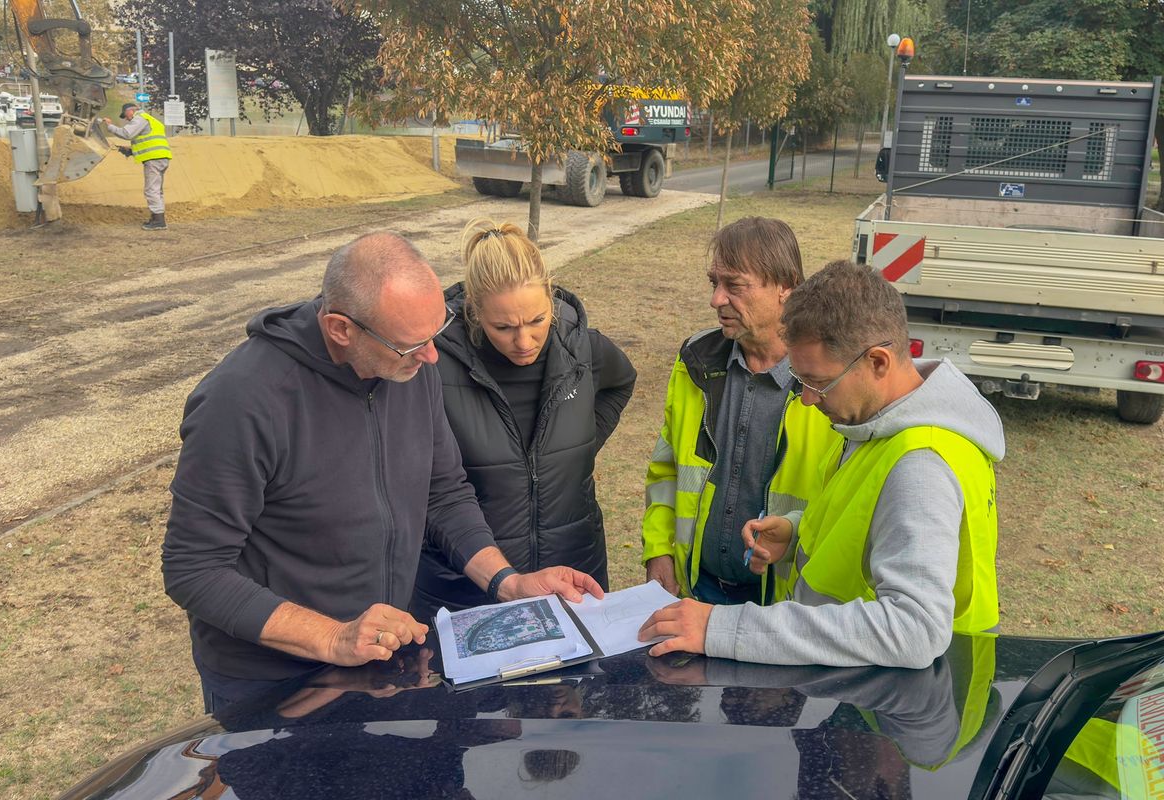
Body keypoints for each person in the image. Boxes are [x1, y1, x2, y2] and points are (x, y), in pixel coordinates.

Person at [162, 232, 603, 712]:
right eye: (412, 344)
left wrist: (507, 582)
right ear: (340, 328)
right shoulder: (242, 401)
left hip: (384, 658)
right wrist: (333, 638)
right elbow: (195, 568)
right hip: (274, 679)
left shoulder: (412, 366)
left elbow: (444, 493)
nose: (432, 356)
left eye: (437, 333)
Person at [640, 259, 1004, 668]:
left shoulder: (922, 465)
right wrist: (796, 531)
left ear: (878, 363)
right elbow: (863, 518)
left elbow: (913, 629)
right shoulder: (875, 424)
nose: (808, 399)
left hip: (904, 709)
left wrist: (723, 628)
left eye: (816, 382)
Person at [410, 218, 636, 619]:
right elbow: (427, 490)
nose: (524, 341)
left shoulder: (579, 345)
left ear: (551, 298)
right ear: (474, 312)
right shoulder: (432, 363)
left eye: (537, 320)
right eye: (503, 327)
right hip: (465, 587)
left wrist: (575, 447)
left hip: (574, 574)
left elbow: (621, 381)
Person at [641, 217, 839, 606]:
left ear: (787, 287)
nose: (716, 299)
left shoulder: (831, 384)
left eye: (734, 285)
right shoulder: (694, 362)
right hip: (696, 595)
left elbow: (845, 505)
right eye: (714, 282)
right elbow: (665, 472)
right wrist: (658, 551)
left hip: (788, 608)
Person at [102, 102, 172, 230]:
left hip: (154, 159)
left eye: (126, 115)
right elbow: (148, 142)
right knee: (157, 190)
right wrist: (131, 151)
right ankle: (157, 217)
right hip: (162, 157)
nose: (127, 119)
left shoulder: (140, 118)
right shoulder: (151, 120)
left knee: (151, 190)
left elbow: (126, 134)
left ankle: (158, 221)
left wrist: (109, 126)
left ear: (131, 111)